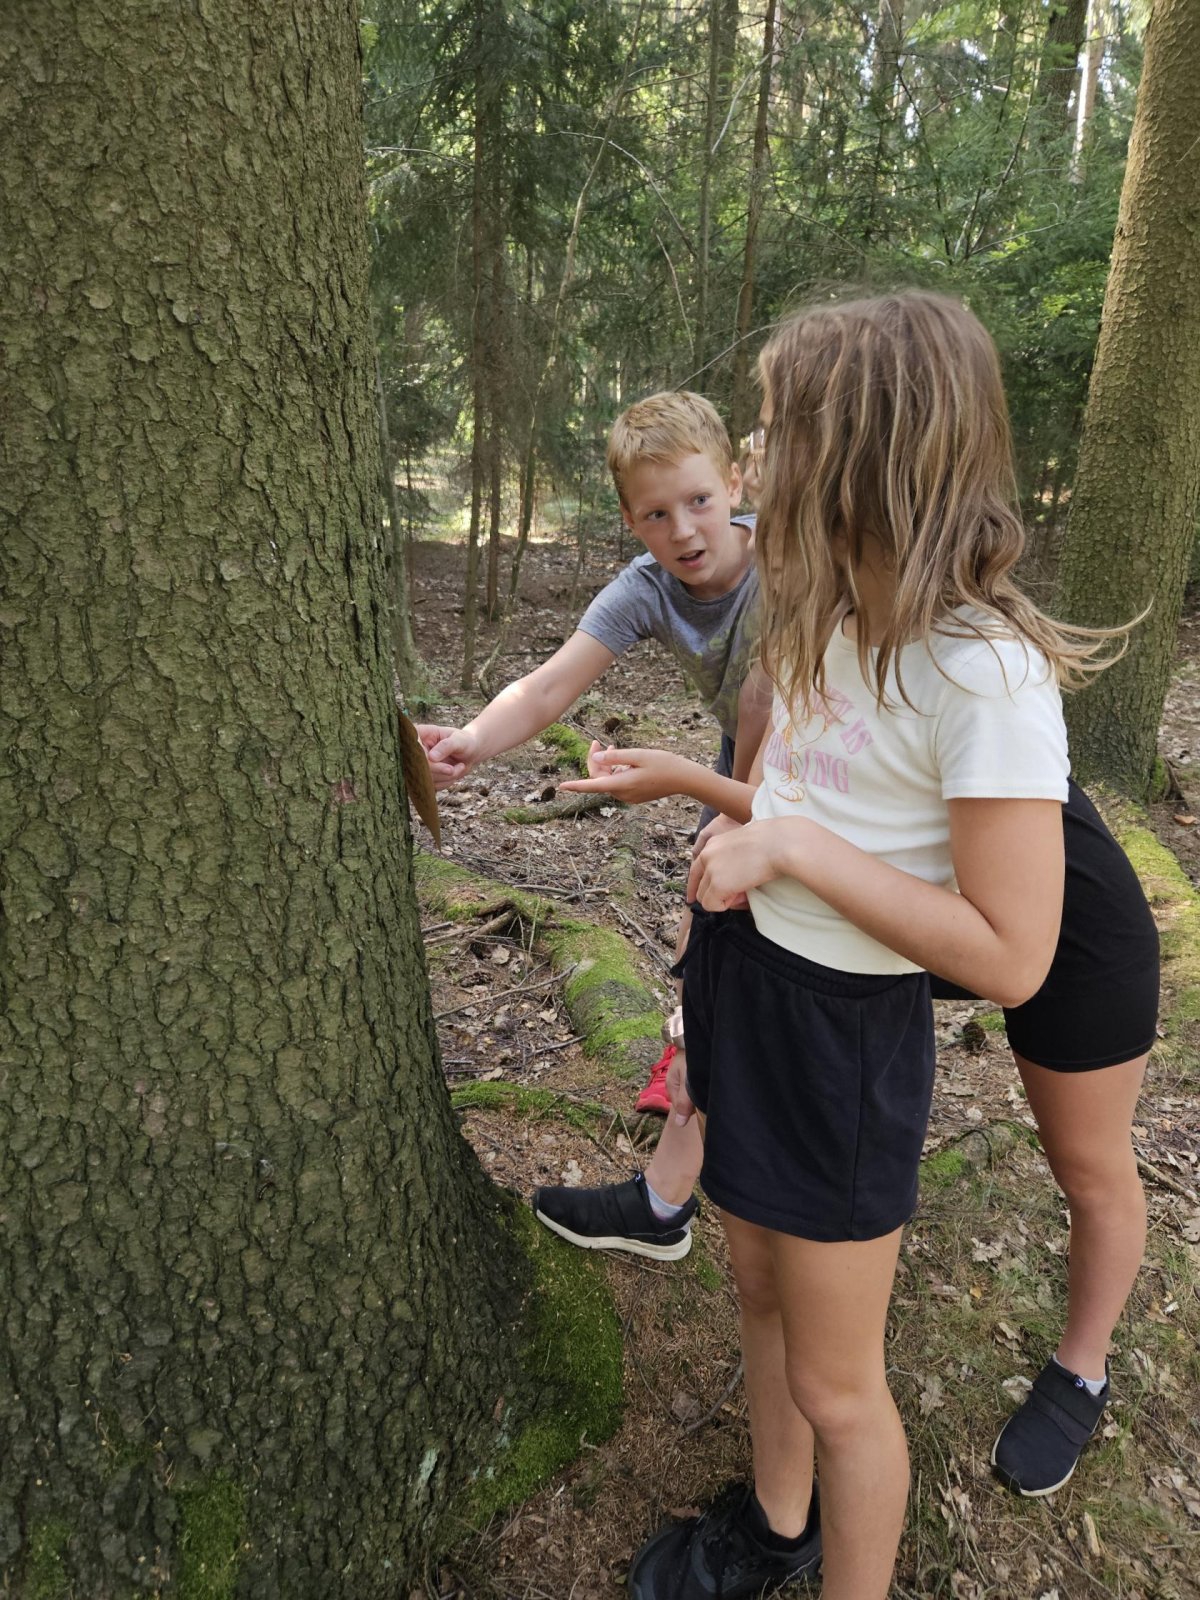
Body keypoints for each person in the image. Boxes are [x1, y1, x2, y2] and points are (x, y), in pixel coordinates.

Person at [556, 291, 1156, 1598]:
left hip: (842, 1038)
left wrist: (787, 851)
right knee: (759, 1289)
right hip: (757, 989)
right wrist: (711, 803)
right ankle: (778, 1526)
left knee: (840, 1387)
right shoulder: (821, 615)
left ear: (863, 455)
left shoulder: (981, 671)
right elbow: (810, 806)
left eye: (778, 429)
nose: (753, 457)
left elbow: (1011, 956)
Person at [417, 390, 771, 1261]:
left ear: (734, 483)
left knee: (746, 942)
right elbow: (547, 684)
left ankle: (742, 1150)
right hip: (744, 759)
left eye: (699, 500)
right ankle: (669, 1182)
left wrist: (718, 801)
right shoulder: (647, 588)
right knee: (706, 941)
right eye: (656, 515)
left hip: (820, 760)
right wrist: (471, 741)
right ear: (630, 520)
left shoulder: (793, 557)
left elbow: (793, 709)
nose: (684, 530)